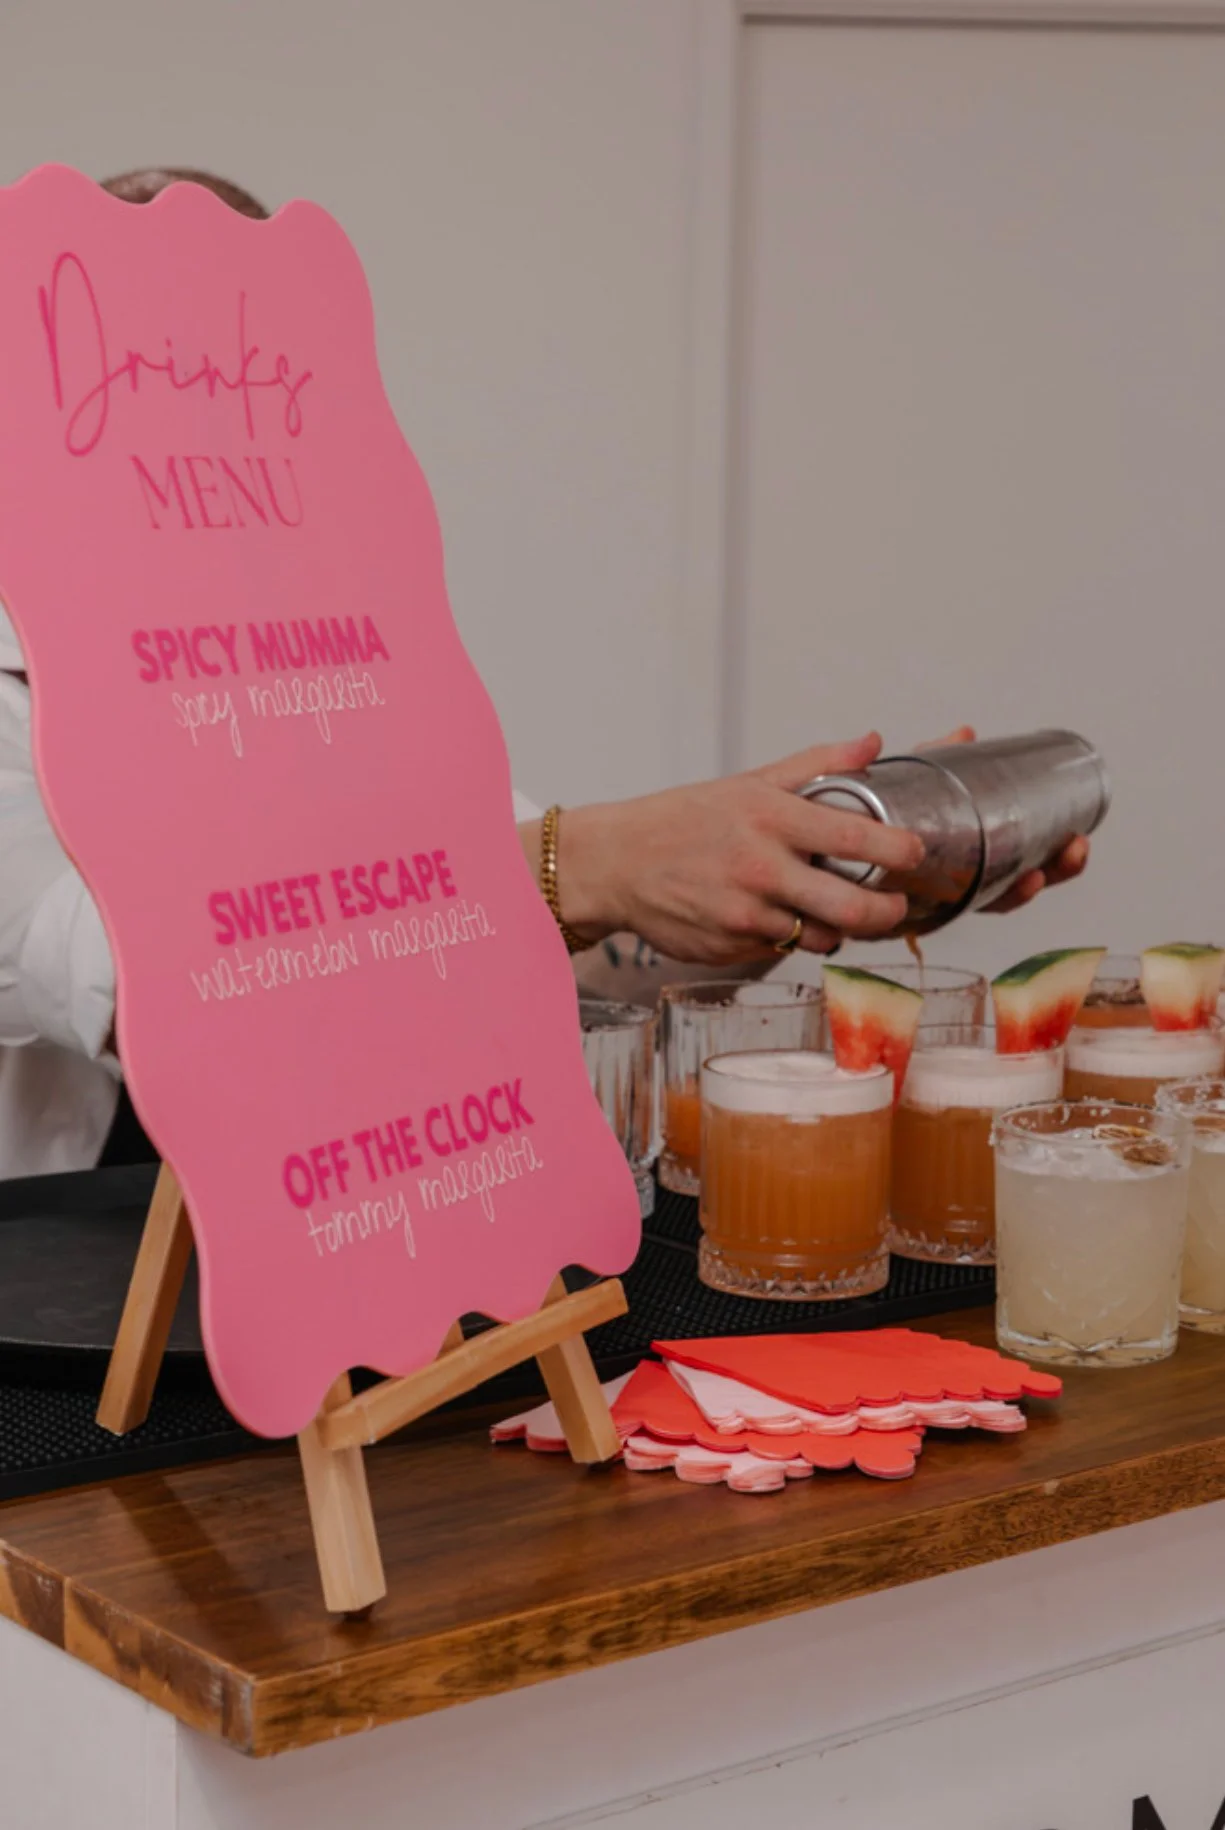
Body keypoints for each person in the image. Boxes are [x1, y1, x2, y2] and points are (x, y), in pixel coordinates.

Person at [0, 168, 1087, 1180]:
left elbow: (564, 950)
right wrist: (601, 859)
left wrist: (793, 865)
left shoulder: (334, 670)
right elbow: (165, 988)